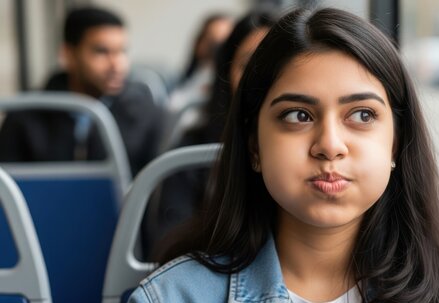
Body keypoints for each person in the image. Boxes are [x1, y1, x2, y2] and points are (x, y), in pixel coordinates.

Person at [120, 7, 439, 303]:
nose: (329, 145)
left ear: (396, 142)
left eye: (361, 115)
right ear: (254, 146)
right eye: (298, 115)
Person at [142, 9, 276, 260]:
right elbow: (169, 242)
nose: (259, 79)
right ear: (227, 74)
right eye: (247, 65)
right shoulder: (192, 149)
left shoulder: (315, 151)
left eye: (274, 66)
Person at [0, 6, 164, 176]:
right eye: (101, 51)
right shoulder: (25, 117)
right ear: (68, 54)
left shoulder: (144, 113)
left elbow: (155, 190)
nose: (117, 64)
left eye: (122, 51)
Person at [168, 13, 234, 113]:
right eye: (211, 41)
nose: (215, 50)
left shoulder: (227, 92)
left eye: (222, 43)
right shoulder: (181, 80)